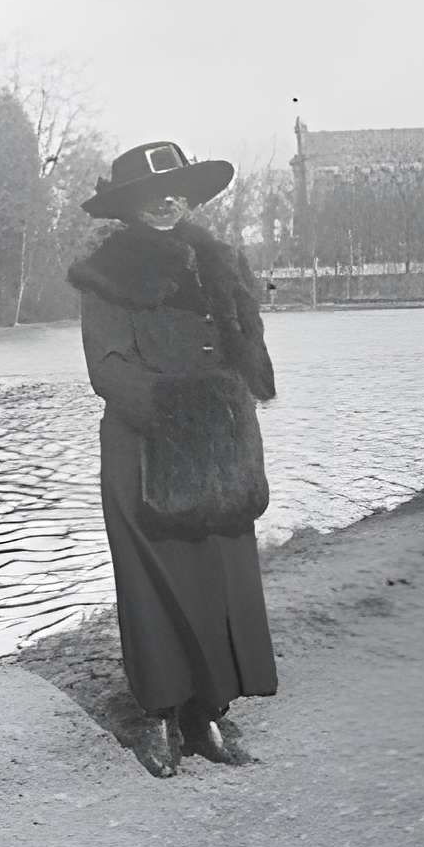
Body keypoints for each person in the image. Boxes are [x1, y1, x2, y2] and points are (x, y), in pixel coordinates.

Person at [66, 141, 280, 778]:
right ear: (129, 205)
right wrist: (183, 416)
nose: (166, 201)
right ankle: (161, 717)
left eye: (177, 190)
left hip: (220, 445)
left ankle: (208, 714)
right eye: (150, 194)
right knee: (153, 585)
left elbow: (247, 351)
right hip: (145, 446)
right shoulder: (106, 272)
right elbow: (108, 369)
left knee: (221, 578)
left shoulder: (222, 262)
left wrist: (235, 400)